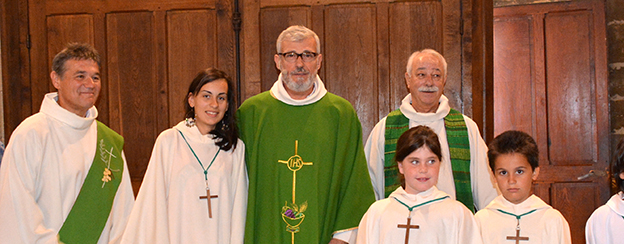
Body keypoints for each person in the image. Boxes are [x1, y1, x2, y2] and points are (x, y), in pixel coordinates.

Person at [237, 25, 375, 244]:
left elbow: (354, 182)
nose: (299, 64)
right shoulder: (252, 113)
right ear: (278, 61)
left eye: (307, 55)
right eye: (290, 55)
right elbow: (235, 181)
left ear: (319, 61)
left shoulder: (340, 114)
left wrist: (342, 238)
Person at [0, 43, 134, 243]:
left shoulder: (108, 142)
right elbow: (17, 209)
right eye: (80, 76)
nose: (90, 84)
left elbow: (124, 216)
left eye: (95, 77)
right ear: (56, 79)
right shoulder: (31, 134)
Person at [121, 68, 247, 243]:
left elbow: (239, 209)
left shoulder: (234, 148)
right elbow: (152, 203)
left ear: (227, 105)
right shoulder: (169, 141)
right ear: (191, 100)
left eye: (221, 98)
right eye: (206, 96)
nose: (214, 104)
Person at [365, 49, 498, 212]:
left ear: (444, 81)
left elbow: (487, 189)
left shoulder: (465, 127)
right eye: (421, 75)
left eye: (436, 75)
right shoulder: (385, 129)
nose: (429, 82)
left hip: (451, 227)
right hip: (401, 229)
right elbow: (370, 189)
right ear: (408, 80)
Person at [356, 126, 482, 244]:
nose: (423, 169)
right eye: (415, 162)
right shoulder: (378, 213)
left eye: (431, 161)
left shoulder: (457, 214)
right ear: (400, 166)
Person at [475, 130, 571, 244]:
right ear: (493, 176)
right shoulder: (482, 220)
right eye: (503, 173)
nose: (511, 180)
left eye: (519, 171)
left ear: (535, 172)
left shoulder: (552, 220)